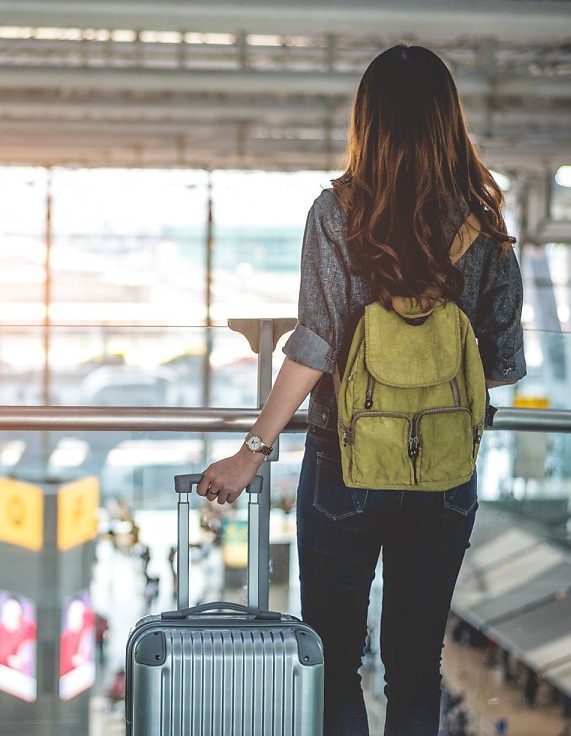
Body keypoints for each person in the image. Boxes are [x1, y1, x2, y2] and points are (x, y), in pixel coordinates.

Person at [199, 44, 525, 736]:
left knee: (334, 658)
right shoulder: (486, 225)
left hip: (344, 463)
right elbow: (499, 363)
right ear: (448, 120)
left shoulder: (338, 212)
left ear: (367, 120)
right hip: (442, 471)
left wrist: (250, 452)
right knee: (415, 667)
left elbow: (313, 345)